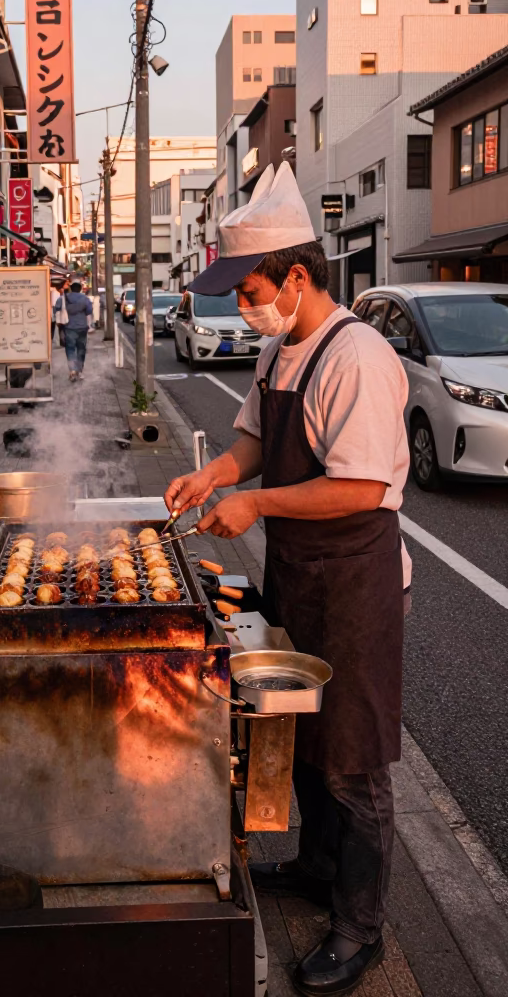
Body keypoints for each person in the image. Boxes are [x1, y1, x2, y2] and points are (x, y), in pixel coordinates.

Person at [164, 162, 410, 997]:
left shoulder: (359, 355)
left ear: (298, 277)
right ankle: (314, 867)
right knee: (301, 734)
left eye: (252, 289)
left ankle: (360, 925)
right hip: (301, 574)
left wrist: (254, 503)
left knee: (354, 757)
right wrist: (213, 480)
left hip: (357, 583)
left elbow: (362, 484)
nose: (244, 306)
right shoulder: (279, 349)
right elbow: (251, 443)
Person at [54, 277, 92, 382]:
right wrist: (89, 325)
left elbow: (56, 309)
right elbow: (89, 312)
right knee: (81, 349)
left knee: (70, 349)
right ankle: (79, 371)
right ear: (80, 288)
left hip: (69, 327)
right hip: (82, 327)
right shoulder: (85, 299)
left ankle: (72, 371)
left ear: (71, 288)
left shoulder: (63, 298)